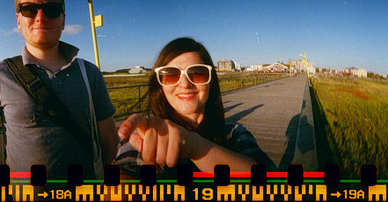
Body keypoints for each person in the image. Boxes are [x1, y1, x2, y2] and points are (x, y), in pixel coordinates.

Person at [0, 0, 119, 182]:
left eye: (51, 8)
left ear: (63, 19)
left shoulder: (90, 74)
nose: (40, 17)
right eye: (29, 9)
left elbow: (109, 139)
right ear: (19, 20)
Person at [115, 37, 272, 178]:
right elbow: (125, 174)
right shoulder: (145, 135)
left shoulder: (233, 133)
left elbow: (272, 184)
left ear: (210, 82)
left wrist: (194, 146)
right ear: (160, 85)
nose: (185, 84)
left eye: (197, 73)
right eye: (171, 75)